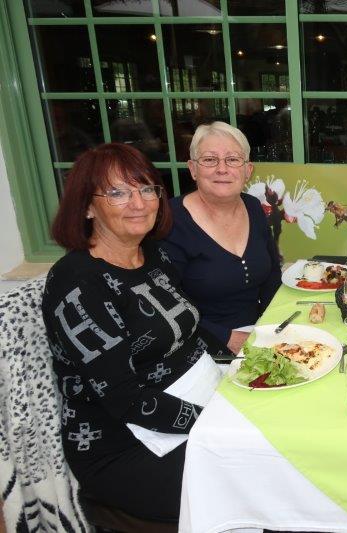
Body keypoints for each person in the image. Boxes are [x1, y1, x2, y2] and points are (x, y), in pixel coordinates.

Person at [41, 143, 230, 521]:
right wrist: (216, 422)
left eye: (147, 189)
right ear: (87, 206)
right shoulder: (78, 283)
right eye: (117, 193)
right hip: (124, 445)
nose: (139, 203)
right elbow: (125, 399)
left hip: (195, 401)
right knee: (254, 473)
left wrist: (241, 360)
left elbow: (186, 329)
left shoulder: (155, 254)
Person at [161, 122, 282, 354]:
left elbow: (272, 276)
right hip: (196, 345)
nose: (222, 169)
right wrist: (226, 338)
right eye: (209, 159)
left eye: (233, 159)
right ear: (193, 169)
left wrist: (274, 323)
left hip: (258, 335)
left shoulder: (253, 206)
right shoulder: (171, 220)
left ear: (248, 170)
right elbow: (166, 302)